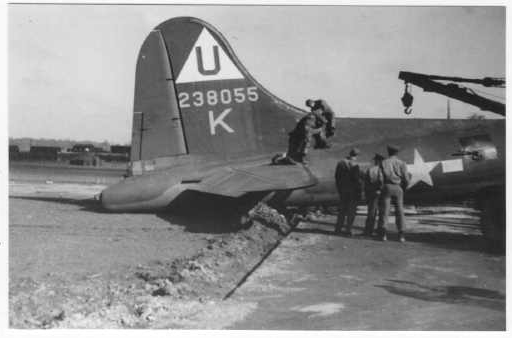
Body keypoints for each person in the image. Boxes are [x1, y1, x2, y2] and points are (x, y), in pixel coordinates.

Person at [376, 145, 410, 242]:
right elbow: (406, 179)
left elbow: (380, 178)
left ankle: (383, 235)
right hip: (398, 188)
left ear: (388, 152)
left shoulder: (383, 162)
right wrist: (403, 187)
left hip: (387, 187)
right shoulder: (402, 163)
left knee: (385, 211)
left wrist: (381, 187)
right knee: (400, 211)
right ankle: (401, 235)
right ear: (397, 152)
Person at [334, 148, 362, 236]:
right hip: (352, 191)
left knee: (342, 210)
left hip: (343, 190)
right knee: (351, 211)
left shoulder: (340, 162)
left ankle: (338, 229)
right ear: (356, 156)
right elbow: (356, 179)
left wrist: (339, 188)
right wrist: (359, 190)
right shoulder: (355, 165)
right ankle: (348, 230)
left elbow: (337, 177)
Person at [362, 153, 384, 237]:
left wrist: (368, 194)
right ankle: (381, 232)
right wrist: (380, 189)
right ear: (381, 161)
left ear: (376, 161)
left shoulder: (370, 170)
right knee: (382, 213)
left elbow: (366, 184)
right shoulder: (383, 170)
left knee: (371, 212)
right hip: (381, 193)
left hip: (372, 194)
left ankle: (368, 231)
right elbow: (382, 180)